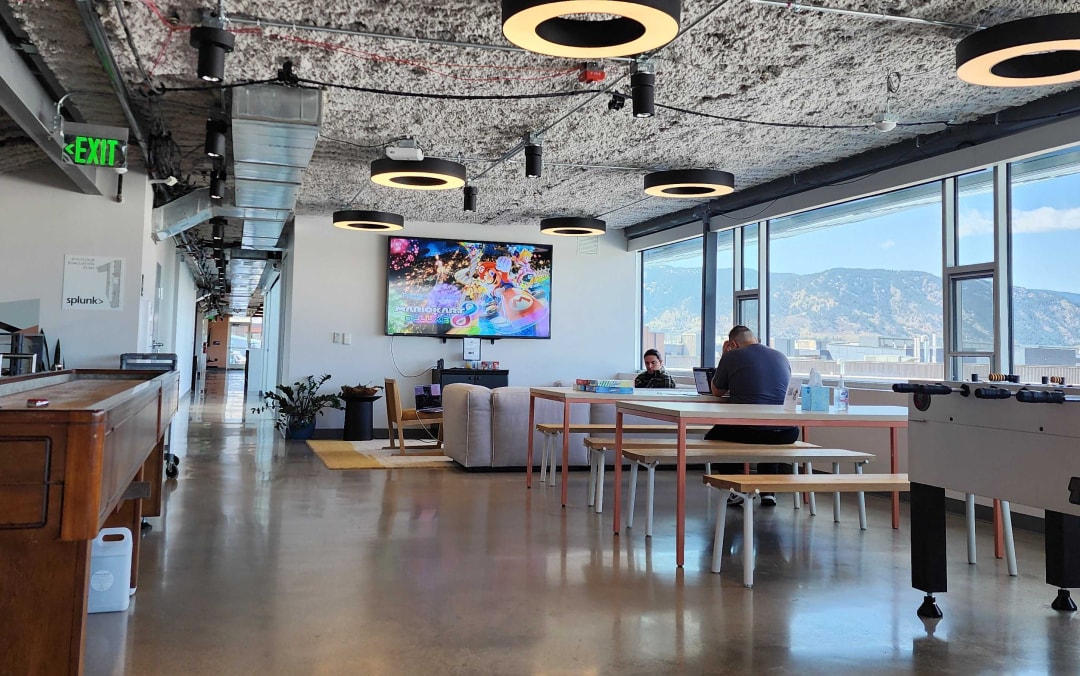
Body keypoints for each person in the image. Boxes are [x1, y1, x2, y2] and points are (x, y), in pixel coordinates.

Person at [709, 325, 798, 506]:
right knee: (769, 433)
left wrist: (724, 354)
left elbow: (717, 391)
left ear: (732, 344)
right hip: (788, 432)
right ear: (755, 339)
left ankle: (734, 489)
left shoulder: (731, 355)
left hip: (751, 430)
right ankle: (768, 492)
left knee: (712, 438)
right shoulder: (780, 355)